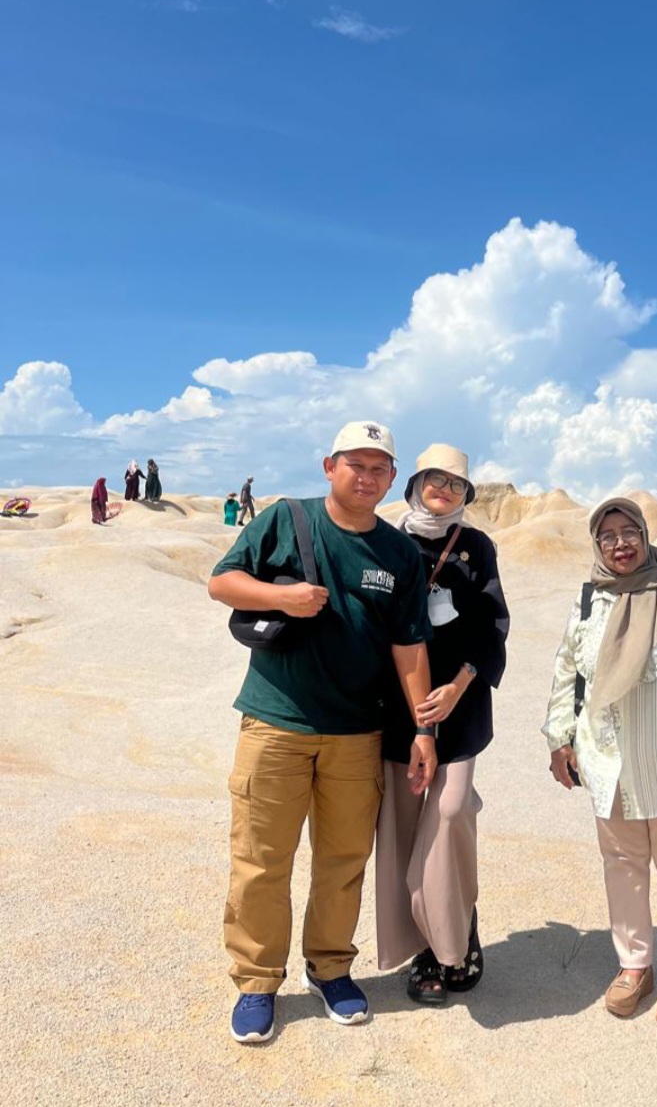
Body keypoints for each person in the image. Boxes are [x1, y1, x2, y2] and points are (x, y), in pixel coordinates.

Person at [207, 421, 436, 1045]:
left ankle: (330, 969)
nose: (367, 477)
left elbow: (410, 646)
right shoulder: (287, 519)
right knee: (260, 859)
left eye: (379, 468)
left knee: (343, 859)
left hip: (357, 732)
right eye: (356, 464)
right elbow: (222, 582)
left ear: (393, 478)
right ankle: (257, 981)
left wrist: (424, 729)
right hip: (275, 721)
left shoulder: (397, 553)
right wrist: (280, 599)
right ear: (329, 466)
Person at [543, 497, 657, 1030]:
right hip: (607, 758)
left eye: (629, 533)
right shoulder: (588, 600)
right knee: (622, 866)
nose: (620, 544)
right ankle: (634, 965)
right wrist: (560, 738)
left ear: (645, 536)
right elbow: (567, 671)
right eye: (608, 535)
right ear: (597, 544)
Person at [375, 444, 508, 1004]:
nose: (445, 491)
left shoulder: (477, 546)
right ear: (415, 483)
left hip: (458, 708)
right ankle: (427, 952)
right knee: (405, 832)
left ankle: (457, 931)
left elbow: (492, 624)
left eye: (457, 484)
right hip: (398, 711)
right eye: (436, 479)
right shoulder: (386, 541)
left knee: (450, 816)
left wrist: (458, 685)